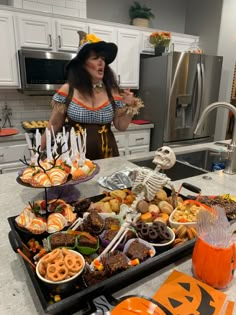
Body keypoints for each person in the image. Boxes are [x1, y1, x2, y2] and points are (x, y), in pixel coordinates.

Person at [41, 32, 144, 160]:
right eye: (95, 58)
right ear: (82, 64)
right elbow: (55, 124)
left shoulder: (113, 92)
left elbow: (121, 126)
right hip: (74, 159)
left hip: (107, 155)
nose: (101, 62)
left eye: (103, 59)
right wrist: (41, 151)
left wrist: (130, 106)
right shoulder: (68, 90)